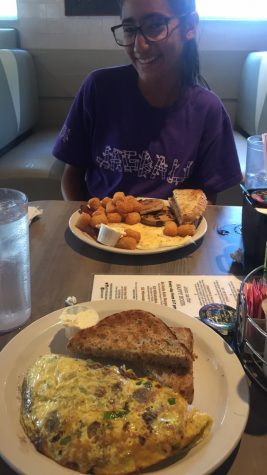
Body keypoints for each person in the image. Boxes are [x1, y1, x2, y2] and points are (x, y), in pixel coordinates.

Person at [53, 0, 242, 204]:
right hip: (99, 231)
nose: (139, 46)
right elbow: (71, 174)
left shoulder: (207, 110)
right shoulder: (99, 89)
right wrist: (84, 221)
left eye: (155, 25)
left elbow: (207, 198)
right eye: (129, 29)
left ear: (189, 26)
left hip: (171, 233)